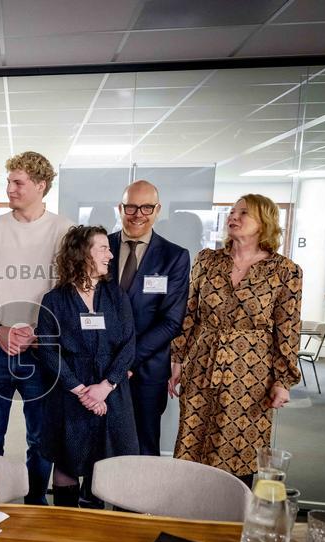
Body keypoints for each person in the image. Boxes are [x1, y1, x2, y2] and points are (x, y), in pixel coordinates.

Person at [168, 194, 302, 484]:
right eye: (232, 211)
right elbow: (189, 314)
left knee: (238, 449)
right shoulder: (207, 260)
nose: (234, 217)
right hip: (203, 362)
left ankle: (230, 522)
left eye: (244, 213)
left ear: (264, 222)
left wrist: (283, 380)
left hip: (251, 372)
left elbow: (287, 328)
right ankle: (187, 515)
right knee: (193, 442)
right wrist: (177, 359)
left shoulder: (285, 271)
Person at [0, 151, 72, 505]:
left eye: (18, 182)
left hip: (40, 349)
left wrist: (38, 332)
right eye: (9, 181)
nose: (10, 188)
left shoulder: (64, 230)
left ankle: (34, 503)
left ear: (40, 186)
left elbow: (67, 291)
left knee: (41, 438)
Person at [36, 225, 137, 507]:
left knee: (107, 462)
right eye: (103, 248)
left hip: (112, 393)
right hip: (69, 394)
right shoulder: (54, 301)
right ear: (82, 253)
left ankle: (96, 523)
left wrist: (105, 386)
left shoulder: (117, 296)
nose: (110, 254)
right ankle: (64, 525)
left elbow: (129, 346)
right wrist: (82, 391)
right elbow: (48, 350)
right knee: (68, 461)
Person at [108, 180, 190, 457]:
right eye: (131, 206)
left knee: (143, 447)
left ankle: (138, 502)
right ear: (120, 208)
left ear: (157, 210)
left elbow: (172, 321)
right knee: (99, 445)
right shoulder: (99, 249)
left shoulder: (174, 256)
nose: (138, 214)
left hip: (146, 369)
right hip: (99, 366)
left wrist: (125, 361)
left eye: (146, 207)